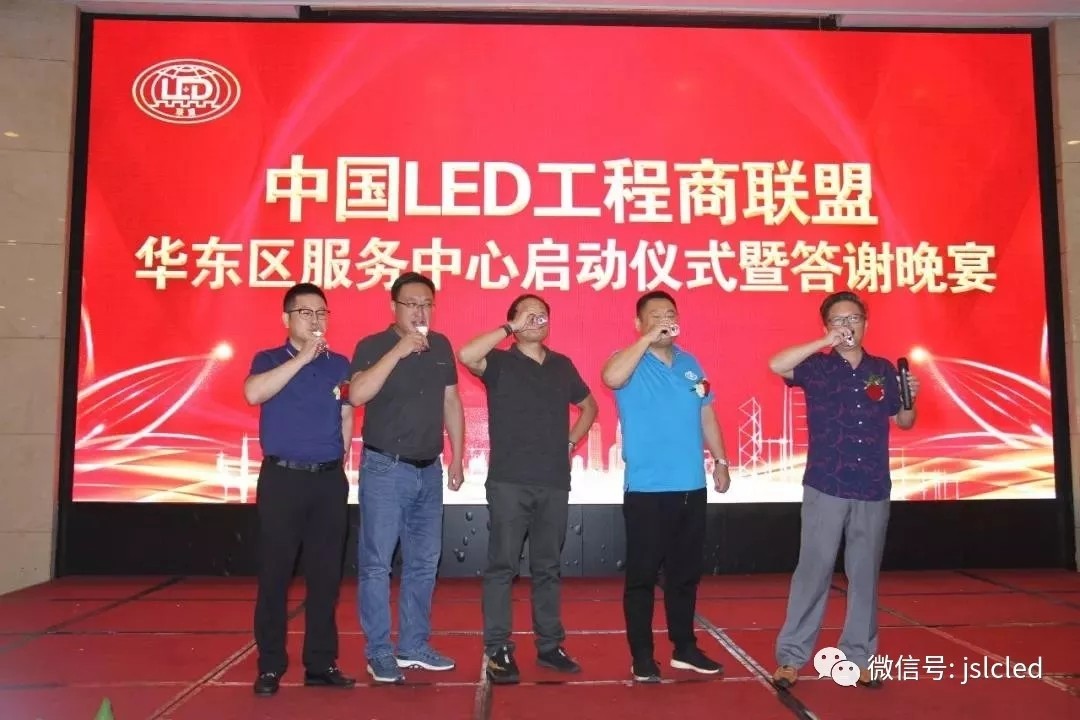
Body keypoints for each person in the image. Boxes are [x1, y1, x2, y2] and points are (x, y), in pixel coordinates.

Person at [768, 291, 920, 690]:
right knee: (813, 570)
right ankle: (791, 657)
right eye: (838, 320)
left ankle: (860, 656)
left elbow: (904, 421)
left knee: (864, 575)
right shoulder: (817, 366)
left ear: (866, 323)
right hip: (827, 483)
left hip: (872, 485)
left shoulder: (883, 370)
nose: (847, 325)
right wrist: (825, 342)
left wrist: (910, 397)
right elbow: (776, 364)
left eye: (853, 318)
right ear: (827, 326)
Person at [458, 294, 599, 684]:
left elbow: (590, 406)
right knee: (502, 567)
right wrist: (508, 329)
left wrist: (570, 443)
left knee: (548, 568)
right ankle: (498, 648)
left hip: (553, 481)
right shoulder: (499, 362)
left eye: (543, 315)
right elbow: (466, 354)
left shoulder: (562, 365)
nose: (537, 320)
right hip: (509, 481)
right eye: (528, 315)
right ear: (514, 321)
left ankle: (550, 646)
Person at [600, 290, 732, 683]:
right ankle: (642, 656)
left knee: (684, 575)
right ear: (638, 323)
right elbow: (610, 378)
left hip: (691, 486)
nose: (664, 320)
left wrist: (721, 461)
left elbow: (707, 414)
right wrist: (646, 339)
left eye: (670, 314)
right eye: (655, 315)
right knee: (642, 577)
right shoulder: (627, 360)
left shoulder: (691, 363)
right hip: (647, 489)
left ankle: (684, 648)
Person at [348, 271, 465, 684]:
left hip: (429, 469)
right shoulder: (372, 345)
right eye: (412, 304)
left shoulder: (442, 345)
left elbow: (451, 401)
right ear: (393, 306)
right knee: (377, 564)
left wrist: (457, 457)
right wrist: (399, 350)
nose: (420, 311)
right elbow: (357, 394)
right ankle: (379, 652)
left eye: (427, 304)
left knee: (424, 562)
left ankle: (413, 645)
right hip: (385, 467)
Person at [243, 282, 356, 697]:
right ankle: (270, 665)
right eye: (306, 313)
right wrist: (304, 356)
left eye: (321, 313)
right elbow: (253, 393)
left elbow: (346, 414)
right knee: (275, 575)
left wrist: (338, 460)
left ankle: (321, 663)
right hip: (283, 480)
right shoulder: (269, 359)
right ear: (286, 318)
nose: (315, 320)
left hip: (327, 480)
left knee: (326, 578)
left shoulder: (340, 364)